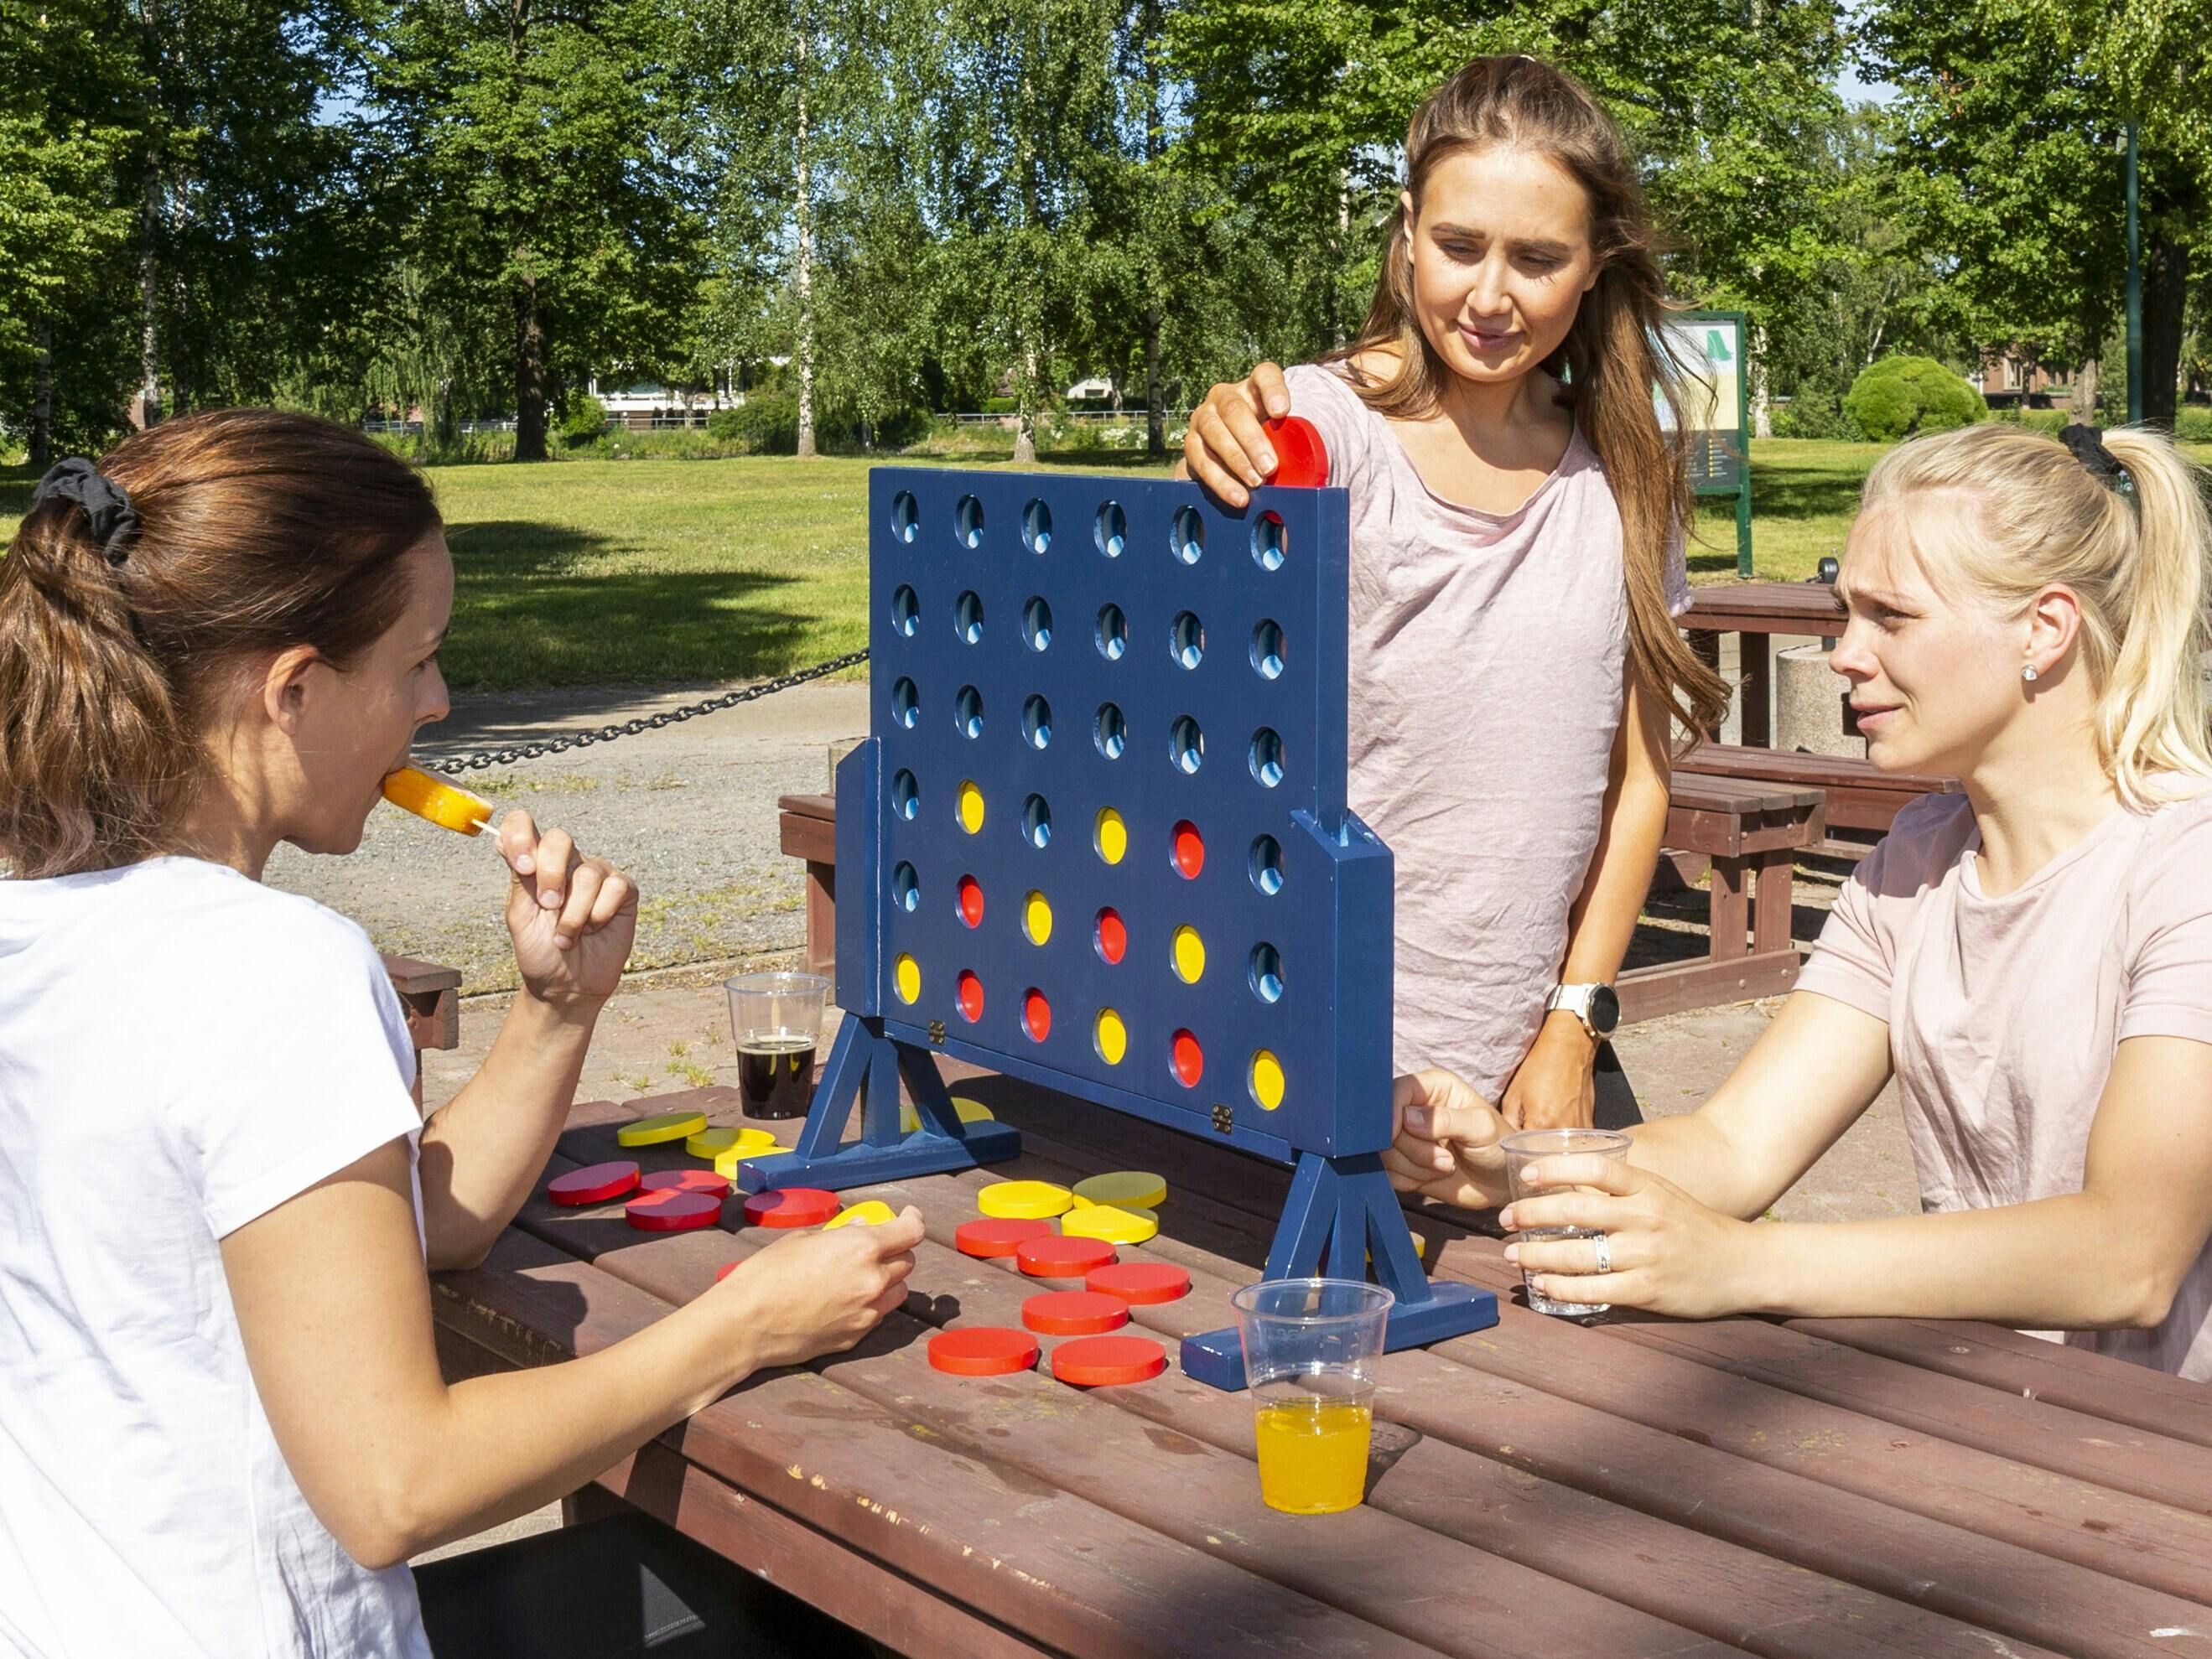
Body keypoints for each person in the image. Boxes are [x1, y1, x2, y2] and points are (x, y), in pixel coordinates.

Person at [0, 410, 927, 1655]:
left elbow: (413, 1229)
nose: (436, 702)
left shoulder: (41, 921)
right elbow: (396, 1482)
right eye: (418, 660)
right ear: (293, 688)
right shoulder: (273, 970)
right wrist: (744, 1322)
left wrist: (558, 1007)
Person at [1389, 420, 2212, 1382]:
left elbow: (2128, 1255)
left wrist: (1743, 1262)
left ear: (2045, 628)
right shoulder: (1917, 861)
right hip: (2011, 1418)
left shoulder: (2183, 870)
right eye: (1844, 610)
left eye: (1891, 617)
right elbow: (1733, 1145)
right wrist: (1511, 1169)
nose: (1844, 653)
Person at [1178, 54, 1728, 1133]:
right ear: (1406, 231)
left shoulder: (1628, 473)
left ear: (1593, 267)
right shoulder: (1322, 435)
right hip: (1302, 1069)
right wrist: (1221, 436)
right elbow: (1197, 743)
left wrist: (1573, 1027)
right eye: (1458, 245)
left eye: (1536, 259)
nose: (1487, 295)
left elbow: (1636, 784)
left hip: (1529, 1078)